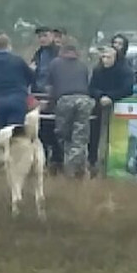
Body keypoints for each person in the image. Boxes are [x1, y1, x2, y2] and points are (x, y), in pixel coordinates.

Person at [44, 39, 95, 178]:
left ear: (62, 51)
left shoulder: (55, 63)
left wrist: (50, 103)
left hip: (65, 100)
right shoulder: (83, 65)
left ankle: (70, 171)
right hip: (84, 99)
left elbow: (49, 87)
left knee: (64, 136)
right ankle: (80, 169)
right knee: (80, 137)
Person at [88, 46, 134, 176]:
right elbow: (91, 87)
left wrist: (111, 97)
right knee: (94, 135)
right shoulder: (98, 70)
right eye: (103, 57)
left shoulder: (125, 71)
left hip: (119, 106)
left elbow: (127, 89)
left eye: (109, 57)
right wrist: (101, 96)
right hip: (99, 104)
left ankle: (114, 164)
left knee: (116, 135)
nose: (105, 60)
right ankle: (92, 162)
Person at [0, 34, 35, 129]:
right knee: (15, 131)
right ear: (9, 45)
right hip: (18, 99)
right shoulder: (18, 60)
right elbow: (31, 77)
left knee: (0, 132)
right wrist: (22, 86)